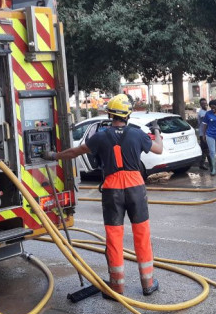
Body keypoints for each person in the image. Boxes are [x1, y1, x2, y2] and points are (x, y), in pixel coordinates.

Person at [42, 94, 163, 297]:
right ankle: (148, 284)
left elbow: (75, 152)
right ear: (128, 114)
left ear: (109, 114)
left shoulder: (100, 136)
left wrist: (54, 156)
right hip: (135, 188)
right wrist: (157, 131)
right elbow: (158, 149)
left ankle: (117, 287)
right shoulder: (137, 134)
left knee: (114, 238)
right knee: (142, 235)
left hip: (112, 189)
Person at [201, 99, 216, 176]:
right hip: (210, 134)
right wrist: (204, 134)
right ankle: (213, 169)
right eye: (211, 107)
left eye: (214, 107)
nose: (212, 109)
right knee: (212, 151)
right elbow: (204, 125)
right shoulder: (208, 114)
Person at [196, 98, 210, 170]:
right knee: (206, 149)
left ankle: (202, 164)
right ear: (200, 105)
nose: (205, 104)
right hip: (203, 134)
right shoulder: (202, 113)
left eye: (205, 103)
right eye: (203, 103)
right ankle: (211, 165)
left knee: (205, 150)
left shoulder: (205, 112)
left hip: (206, 134)